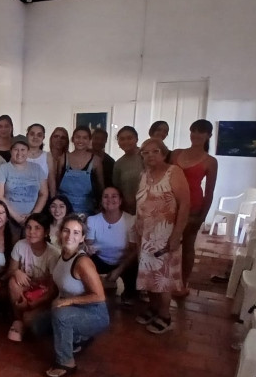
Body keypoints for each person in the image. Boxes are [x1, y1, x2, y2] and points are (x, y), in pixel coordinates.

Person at [38, 214, 109, 377]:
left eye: (76, 232)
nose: (70, 236)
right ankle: (80, 337)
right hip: (74, 309)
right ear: (60, 233)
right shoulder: (62, 255)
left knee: (61, 315)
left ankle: (66, 363)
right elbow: (55, 286)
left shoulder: (82, 262)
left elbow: (99, 296)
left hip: (95, 314)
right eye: (66, 230)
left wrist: (67, 301)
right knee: (36, 326)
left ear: (82, 238)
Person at [135, 138, 190, 334]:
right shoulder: (143, 175)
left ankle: (165, 315)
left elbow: (185, 205)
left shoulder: (174, 172)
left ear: (164, 153)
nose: (150, 155)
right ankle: (153, 308)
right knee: (148, 274)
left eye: (155, 151)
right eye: (145, 152)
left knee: (163, 277)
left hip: (165, 235)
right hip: (145, 235)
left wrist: (176, 235)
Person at [169, 119, 218, 296]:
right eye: (193, 131)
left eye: (201, 132)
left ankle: (183, 283)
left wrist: (202, 217)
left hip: (193, 206)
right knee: (167, 243)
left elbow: (209, 192)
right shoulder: (176, 153)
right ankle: (163, 280)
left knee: (188, 246)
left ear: (209, 135)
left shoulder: (210, 161)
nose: (196, 135)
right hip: (170, 204)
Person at [6, 213, 59, 342]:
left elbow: (53, 290)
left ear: (46, 232)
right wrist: (16, 272)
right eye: (28, 227)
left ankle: (26, 319)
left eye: (37, 228)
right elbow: (11, 270)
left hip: (43, 295)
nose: (31, 232)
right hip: (26, 290)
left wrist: (33, 303)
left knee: (29, 319)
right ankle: (18, 320)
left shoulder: (53, 254)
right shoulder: (20, 245)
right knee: (13, 282)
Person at [85, 187, 138, 304]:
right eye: (106, 196)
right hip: (100, 260)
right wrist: (88, 249)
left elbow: (134, 250)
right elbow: (88, 246)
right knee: (83, 261)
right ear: (101, 200)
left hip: (123, 262)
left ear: (120, 200)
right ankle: (91, 294)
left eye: (114, 196)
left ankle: (129, 294)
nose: (109, 199)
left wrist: (119, 270)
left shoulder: (130, 220)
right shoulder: (92, 220)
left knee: (135, 262)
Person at [0, 134, 49, 227]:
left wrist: (32, 216)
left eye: (23, 149)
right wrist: (17, 218)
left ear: (28, 151)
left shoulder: (37, 168)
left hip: (33, 220)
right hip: (9, 219)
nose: (19, 153)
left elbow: (44, 194)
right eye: (16, 149)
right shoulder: (3, 169)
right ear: (11, 151)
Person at [56, 126, 104, 215]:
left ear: (89, 140)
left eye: (85, 138)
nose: (80, 140)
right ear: (72, 139)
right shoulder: (63, 158)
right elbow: (57, 184)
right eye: (78, 137)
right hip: (64, 210)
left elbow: (101, 188)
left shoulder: (96, 161)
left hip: (88, 210)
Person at [112, 126, 143, 215]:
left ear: (136, 139)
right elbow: (117, 189)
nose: (126, 142)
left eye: (129, 138)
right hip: (129, 211)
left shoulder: (146, 156)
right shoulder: (118, 164)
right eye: (122, 139)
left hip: (150, 208)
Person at [91, 128, 115, 192]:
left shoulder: (110, 162)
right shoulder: (83, 157)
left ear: (106, 141)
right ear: (91, 139)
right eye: (96, 138)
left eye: (102, 139)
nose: (99, 142)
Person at [48, 127, 70, 196]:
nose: (59, 139)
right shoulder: (44, 157)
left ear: (67, 141)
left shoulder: (70, 158)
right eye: (56, 136)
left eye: (63, 138)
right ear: (51, 139)